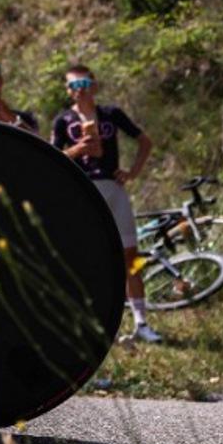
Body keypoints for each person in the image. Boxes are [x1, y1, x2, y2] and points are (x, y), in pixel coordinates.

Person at [51, 65, 158, 343]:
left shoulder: (111, 114)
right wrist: (78, 149)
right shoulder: (63, 120)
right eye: (74, 85)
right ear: (68, 91)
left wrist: (132, 172)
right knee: (87, 257)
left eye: (85, 82)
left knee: (130, 256)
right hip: (84, 190)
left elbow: (145, 141)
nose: (80, 89)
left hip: (114, 188)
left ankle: (142, 323)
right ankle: (90, 325)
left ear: (95, 85)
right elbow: (51, 158)